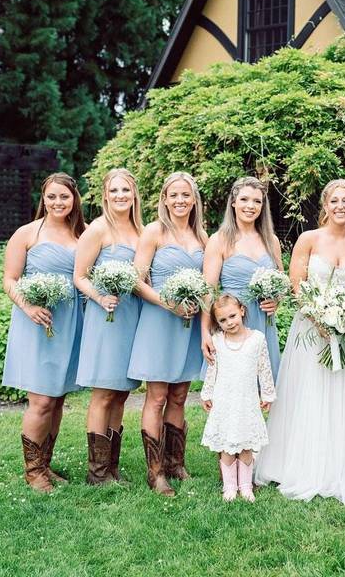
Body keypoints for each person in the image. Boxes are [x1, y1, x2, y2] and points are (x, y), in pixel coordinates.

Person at [255, 179, 345, 504]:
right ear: (325, 205)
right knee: (309, 394)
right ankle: (301, 463)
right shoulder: (308, 239)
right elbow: (296, 283)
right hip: (311, 331)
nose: (341, 206)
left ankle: (342, 463)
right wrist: (320, 319)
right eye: (335, 201)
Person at [2, 173, 86, 493]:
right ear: (43, 198)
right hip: (36, 322)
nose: (58, 202)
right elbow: (9, 279)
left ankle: (46, 464)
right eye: (52, 197)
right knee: (40, 401)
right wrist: (29, 308)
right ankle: (33, 470)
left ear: (74, 199)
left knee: (58, 399)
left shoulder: (83, 233)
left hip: (69, 323)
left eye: (64, 196)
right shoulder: (27, 233)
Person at [128, 172, 208, 496]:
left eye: (185, 195)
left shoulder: (202, 236)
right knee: (157, 396)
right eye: (173, 195)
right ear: (164, 198)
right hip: (159, 322)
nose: (179, 201)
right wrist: (167, 303)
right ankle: (155, 471)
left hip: (188, 327)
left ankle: (177, 463)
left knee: (178, 396)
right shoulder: (154, 232)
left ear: (194, 200)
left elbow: (209, 282)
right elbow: (135, 280)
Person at [74, 168, 144, 485]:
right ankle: (97, 472)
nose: (120, 196)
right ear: (105, 195)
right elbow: (80, 276)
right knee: (103, 393)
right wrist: (101, 298)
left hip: (132, 317)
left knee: (121, 394)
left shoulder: (141, 231)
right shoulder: (97, 230)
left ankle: (112, 467)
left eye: (125, 191)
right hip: (106, 316)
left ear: (134, 195)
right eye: (114, 191)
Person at [201, 177, 282, 380]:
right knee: (234, 390)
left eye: (257, 201)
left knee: (264, 392)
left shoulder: (271, 241)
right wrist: (205, 333)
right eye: (244, 199)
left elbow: (282, 284)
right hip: (234, 323)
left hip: (264, 324)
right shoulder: (219, 240)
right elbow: (207, 292)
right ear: (233, 202)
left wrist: (276, 301)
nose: (250, 206)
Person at [200, 293, 276, 502]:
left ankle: (246, 486)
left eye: (232, 316)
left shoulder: (257, 339)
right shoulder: (217, 341)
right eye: (223, 320)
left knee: (246, 446)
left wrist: (267, 393)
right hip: (225, 401)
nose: (229, 323)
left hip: (247, 400)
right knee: (227, 445)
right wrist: (207, 393)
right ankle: (230, 486)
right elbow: (212, 370)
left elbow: (264, 368)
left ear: (242, 311)